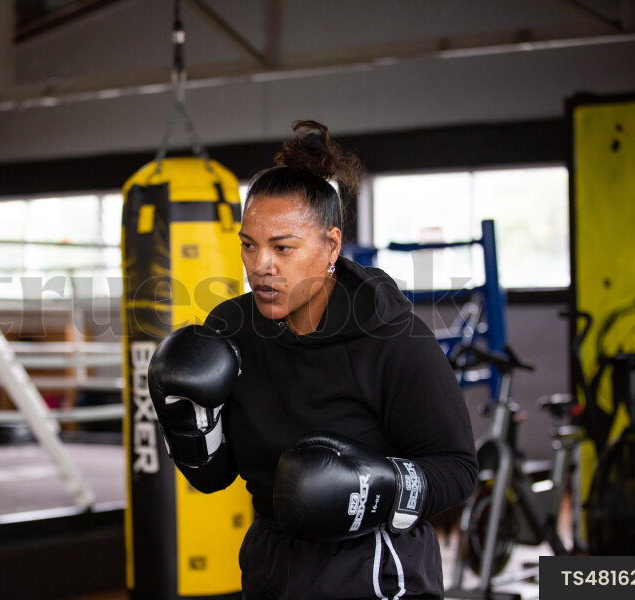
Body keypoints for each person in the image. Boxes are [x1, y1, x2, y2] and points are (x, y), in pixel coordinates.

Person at [149, 121, 477, 599]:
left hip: (376, 571)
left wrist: (378, 488)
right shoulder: (232, 331)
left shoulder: (390, 337)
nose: (261, 265)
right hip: (271, 566)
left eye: (282, 247)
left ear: (331, 245)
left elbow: (458, 469)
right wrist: (187, 423)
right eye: (248, 244)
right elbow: (214, 478)